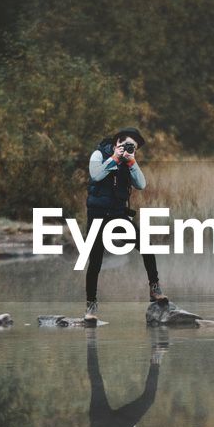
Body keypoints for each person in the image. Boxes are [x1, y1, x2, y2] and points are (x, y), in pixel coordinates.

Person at [84, 126, 168, 321]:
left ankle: (154, 288)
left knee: (146, 245)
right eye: (126, 145)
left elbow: (141, 184)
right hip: (97, 215)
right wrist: (114, 158)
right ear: (116, 142)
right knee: (95, 261)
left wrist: (132, 162)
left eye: (133, 148)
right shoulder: (98, 155)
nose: (129, 149)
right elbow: (95, 176)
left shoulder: (130, 161)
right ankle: (91, 306)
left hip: (118, 214)